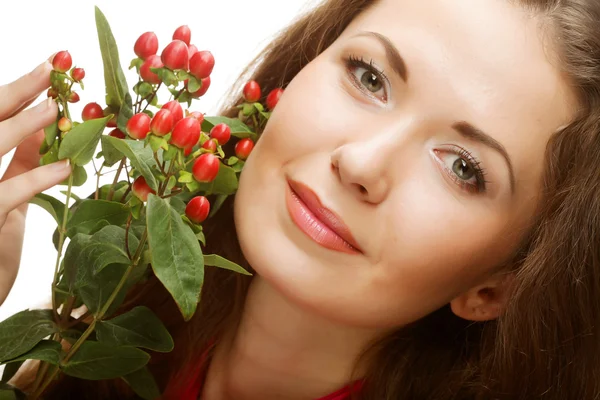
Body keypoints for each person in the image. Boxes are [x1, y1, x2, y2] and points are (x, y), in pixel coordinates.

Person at [2, 0, 600, 398]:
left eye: (464, 168)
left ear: (494, 287)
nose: (361, 163)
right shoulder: (113, 315)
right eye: (370, 77)